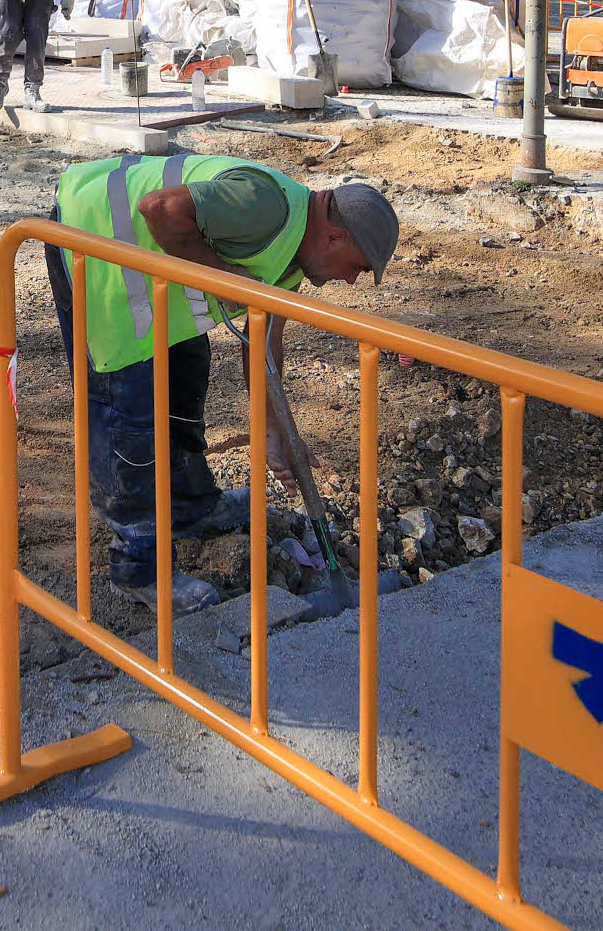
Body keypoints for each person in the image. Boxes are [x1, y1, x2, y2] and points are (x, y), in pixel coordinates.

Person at [46, 156, 399, 612]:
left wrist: (274, 432)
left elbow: (263, 343)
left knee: (185, 375)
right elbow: (159, 208)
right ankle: (138, 567)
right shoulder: (266, 207)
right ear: (333, 236)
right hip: (92, 248)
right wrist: (222, 275)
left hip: (151, 277)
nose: (350, 280)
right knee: (127, 415)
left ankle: (190, 506)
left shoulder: (295, 258)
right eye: (357, 267)